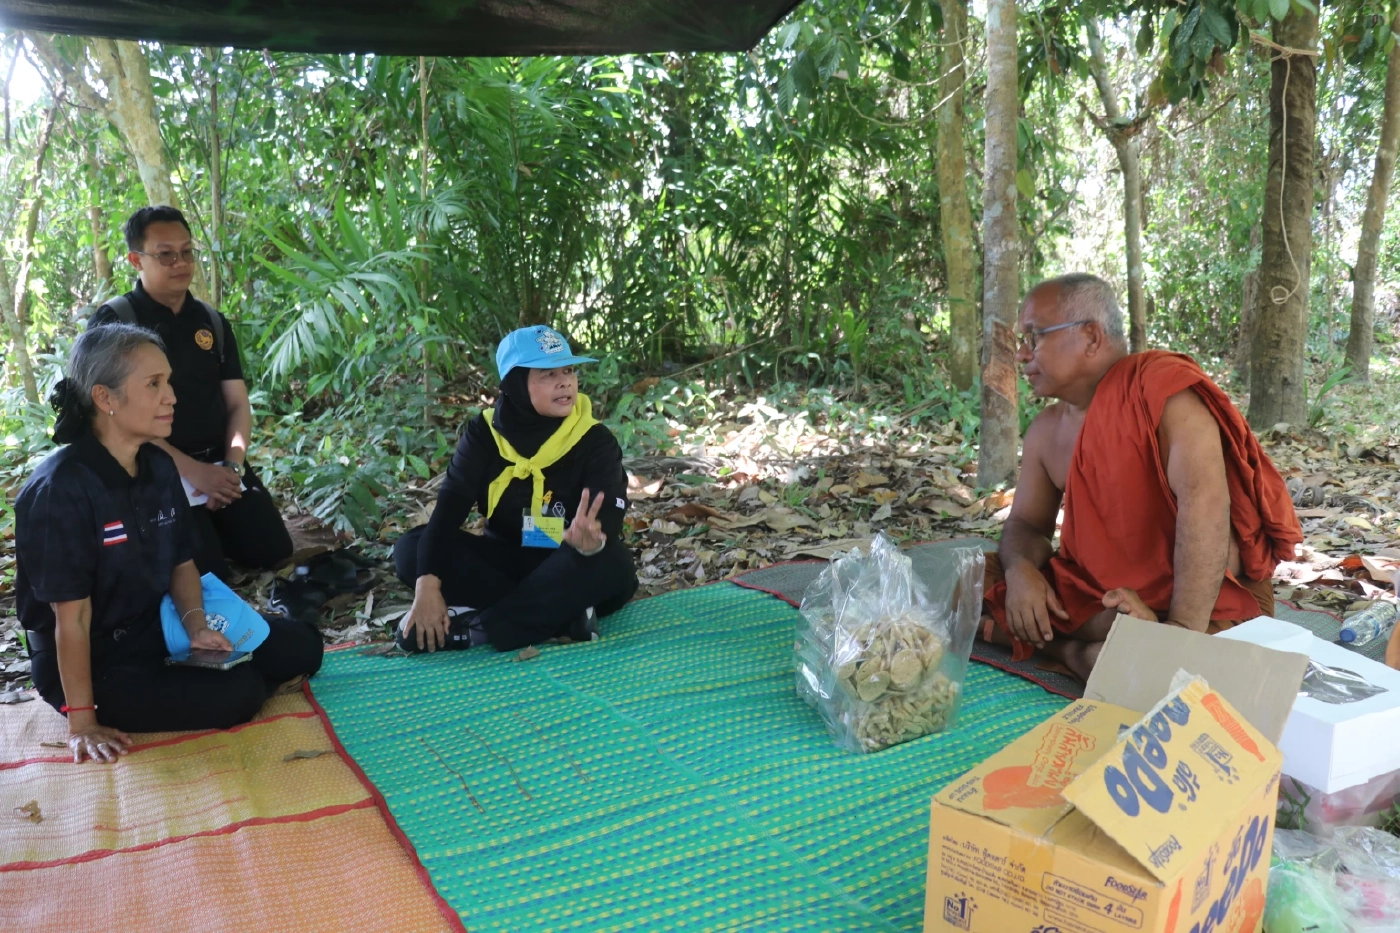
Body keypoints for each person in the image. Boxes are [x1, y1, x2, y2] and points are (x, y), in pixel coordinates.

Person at [15, 324, 323, 763]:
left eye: (169, 382)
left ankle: (190, 669)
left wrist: (197, 627)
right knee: (241, 692)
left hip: (152, 625)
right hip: (93, 661)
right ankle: (161, 686)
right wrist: (82, 721)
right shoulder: (59, 490)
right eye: (154, 384)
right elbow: (72, 617)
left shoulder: (158, 465)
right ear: (105, 398)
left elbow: (181, 561)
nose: (171, 396)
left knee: (302, 648)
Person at [978, 273, 1302, 680]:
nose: (1022, 355)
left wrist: (1177, 633)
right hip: (1104, 601)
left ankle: (1087, 649)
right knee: (968, 586)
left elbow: (1205, 506)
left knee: (1153, 659)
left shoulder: (1165, 393)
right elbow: (1026, 523)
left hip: (1199, 601)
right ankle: (1092, 648)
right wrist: (1020, 571)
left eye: (1034, 336)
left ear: (1092, 337)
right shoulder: (1047, 430)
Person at [394, 325, 638, 653]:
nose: (565, 381)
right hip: (504, 561)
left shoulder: (594, 440)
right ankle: (561, 617)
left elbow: (605, 521)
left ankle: (480, 629)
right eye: (548, 374)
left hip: (570, 562)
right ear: (515, 384)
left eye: (568, 370)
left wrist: (590, 543)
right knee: (411, 549)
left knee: (614, 565)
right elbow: (448, 511)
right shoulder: (484, 434)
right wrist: (426, 586)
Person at [87, 206, 291, 579]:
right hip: (153, 468)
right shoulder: (116, 322)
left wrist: (230, 467)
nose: (180, 263)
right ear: (136, 260)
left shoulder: (210, 321)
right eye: (165, 254)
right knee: (205, 571)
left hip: (217, 460)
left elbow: (237, 404)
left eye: (186, 252)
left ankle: (215, 520)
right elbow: (112, 421)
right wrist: (193, 472)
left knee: (273, 550)